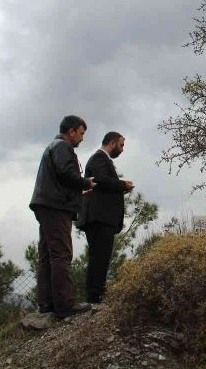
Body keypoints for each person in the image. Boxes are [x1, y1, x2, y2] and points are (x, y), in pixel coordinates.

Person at [29, 115, 95, 319]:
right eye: (81, 133)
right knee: (61, 254)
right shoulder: (63, 147)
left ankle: (47, 303)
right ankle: (65, 305)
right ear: (71, 131)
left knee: (48, 254)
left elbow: (59, 178)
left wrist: (77, 191)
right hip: (55, 206)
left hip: (46, 203)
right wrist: (85, 183)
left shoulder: (53, 146)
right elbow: (66, 172)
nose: (82, 138)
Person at [76, 131, 135, 304]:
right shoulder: (99, 158)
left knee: (101, 256)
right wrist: (122, 184)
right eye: (121, 145)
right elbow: (100, 180)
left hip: (102, 218)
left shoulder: (102, 160)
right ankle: (95, 295)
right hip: (99, 218)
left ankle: (97, 292)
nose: (122, 149)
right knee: (99, 256)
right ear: (112, 143)